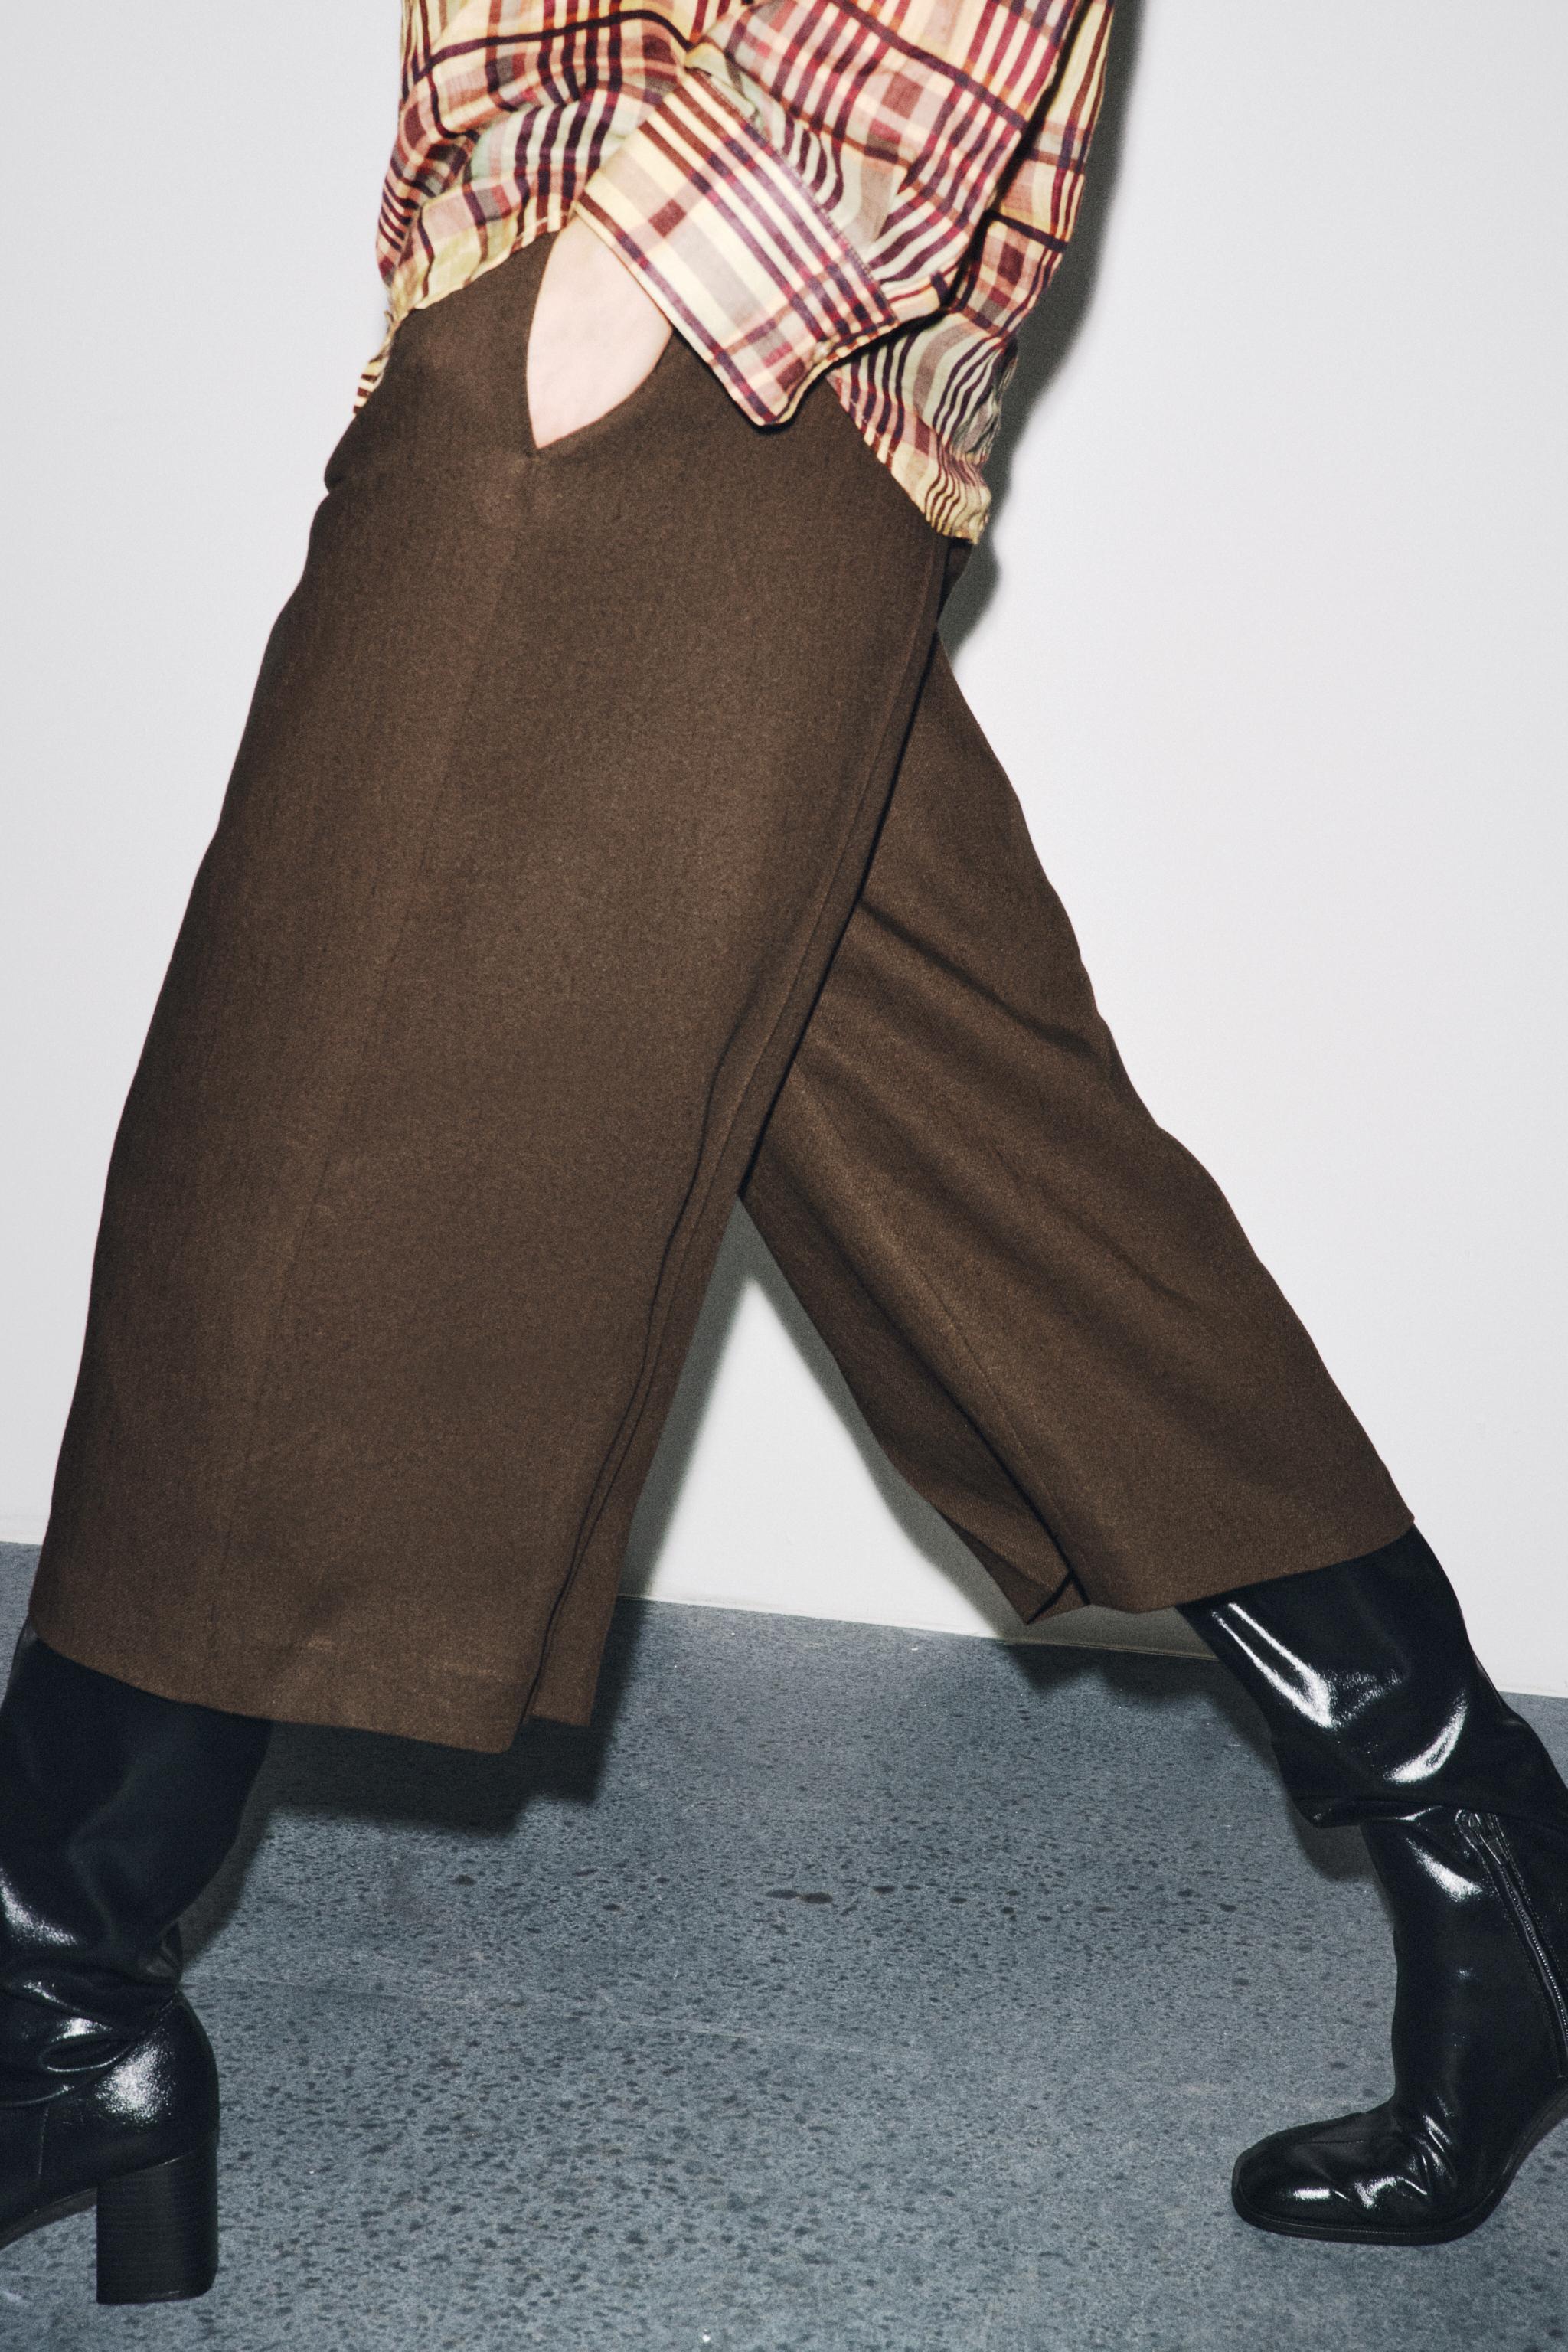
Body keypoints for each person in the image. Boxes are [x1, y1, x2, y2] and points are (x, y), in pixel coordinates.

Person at [4, 0, 1566, 2305]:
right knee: (990, 1179)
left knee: (292, 1142)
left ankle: (50, 1993)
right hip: (728, 368)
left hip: (685, 305)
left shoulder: (660, 297)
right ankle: (1496, 1855)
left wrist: (636, 279)